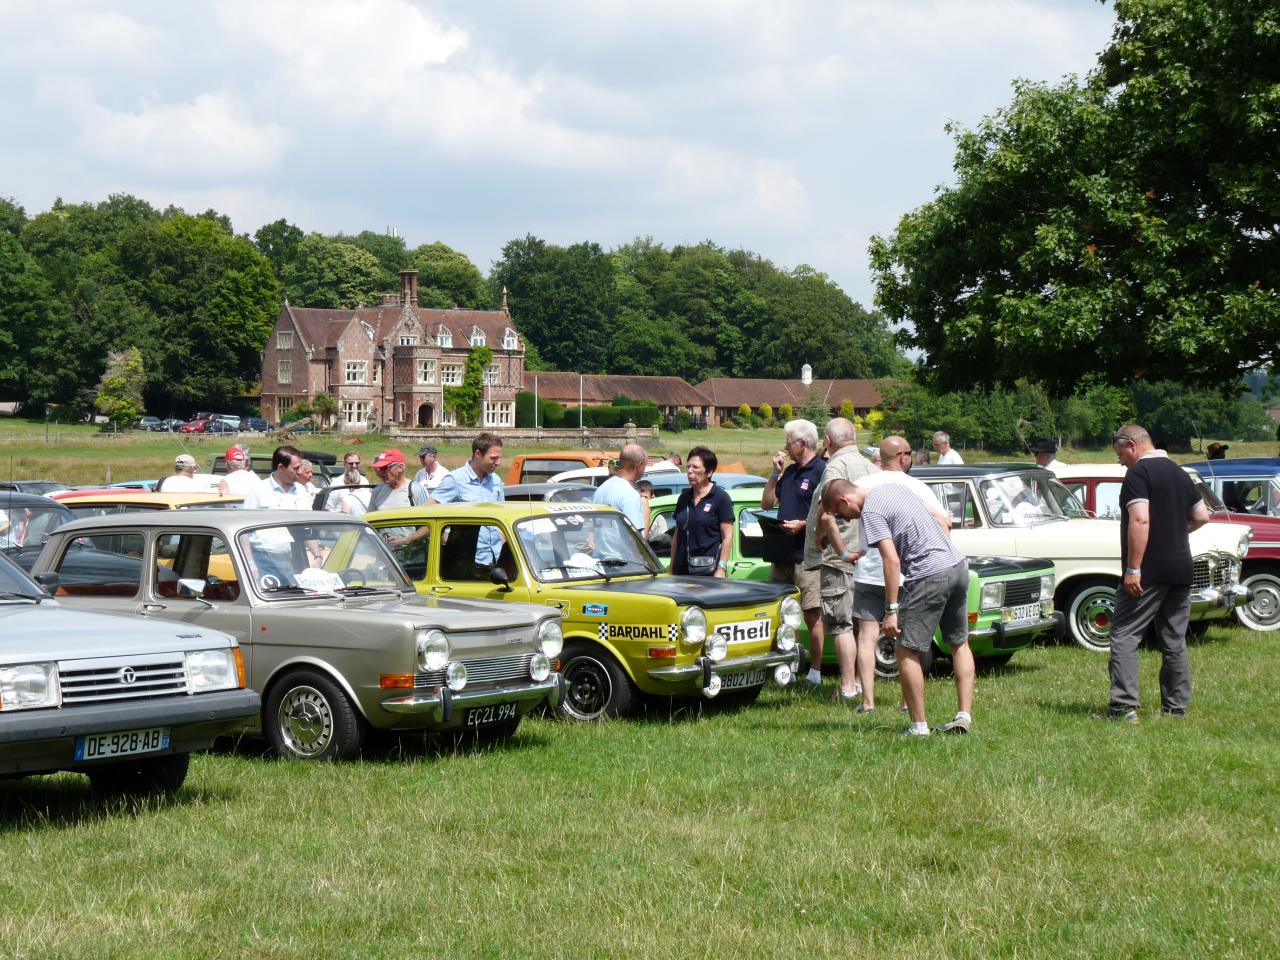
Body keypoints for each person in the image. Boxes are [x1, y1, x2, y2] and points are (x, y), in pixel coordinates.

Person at [823, 476, 974, 736]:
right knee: (959, 643)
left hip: (929, 575)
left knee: (906, 651)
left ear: (843, 501)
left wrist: (891, 610)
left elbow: (891, 561)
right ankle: (964, 715)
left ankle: (918, 727)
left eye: (841, 515)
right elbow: (943, 520)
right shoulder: (894, 488)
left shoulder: (871, 511)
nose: (846, 520)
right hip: (957, 565)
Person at [827, 436, 952, 714]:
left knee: (867, 635)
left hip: (868, 572)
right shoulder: (916, 487)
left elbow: (827, 517)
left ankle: (868, 702)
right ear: (904, 457)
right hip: (907, 574)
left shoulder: (862, 486)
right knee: (908, 638)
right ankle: (907, 703)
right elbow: (945, 521)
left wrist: (845, 552)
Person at [1108, 424, 1210, 722]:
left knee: (1125, 634)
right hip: (1181, 566)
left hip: (1148, 570)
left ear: (1131, 444)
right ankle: (1176, 708)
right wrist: (1173, 533)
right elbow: (1202, 515)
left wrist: (1133, 568)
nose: (1121, 461)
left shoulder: (1139, 474)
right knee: (1174, 639)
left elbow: (1140, 520)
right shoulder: (1180, 472)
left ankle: (1123, 707)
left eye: (1120, 454)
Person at [801, 418, 872, 702]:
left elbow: (828, 507)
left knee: (841, 622)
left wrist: (821, 536)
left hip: (840, 558)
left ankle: (847, 687)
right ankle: (860, 682)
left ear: (828, 442)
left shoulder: (835, 466)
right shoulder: (870, 464)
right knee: (864, 623)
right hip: (866, 555)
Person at [762, 419, 827, 687]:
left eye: (789, 442)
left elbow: (828, 513)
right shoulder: (788, 472)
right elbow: (767, 503)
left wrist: (803, 525)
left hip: (808, 556)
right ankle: (784, 665)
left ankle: (816, 671)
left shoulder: (822, 470)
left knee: (812, 613)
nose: (785, 448)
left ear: (803, 443)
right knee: (777, 613)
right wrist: (775, 473)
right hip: (782, 554)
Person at [423, 433, 506, 566]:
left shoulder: (496, 481)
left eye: (499, 458)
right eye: (493, 458)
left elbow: (503, 517)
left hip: (497, 558)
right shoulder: (455, 480)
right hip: (468, 562)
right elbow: (427, 512)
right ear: (478, 454)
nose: (498, 463)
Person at [670, 446, 733, 577]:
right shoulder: (684, 497)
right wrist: (671, 567)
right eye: (688, 467)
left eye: (695, 467)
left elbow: (727, 537)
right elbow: (677, 535)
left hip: (708, 571)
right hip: (681, 571)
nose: (690, 471)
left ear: (709, 472)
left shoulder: (720, 497)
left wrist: (721, 568)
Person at [593, 443, 648, 542]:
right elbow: (634, 538)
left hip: (600, 554)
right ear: (639, 465)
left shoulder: (600, 489)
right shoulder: (629, 494)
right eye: (645, 466)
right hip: (622, 556)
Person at [241, 445, 311, 509]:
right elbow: (247, 519)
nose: (300, 472)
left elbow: (309, 519)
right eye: (296, 468)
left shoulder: (301, 490)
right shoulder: (258, 490)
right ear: (280, 467)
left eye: (301, 467)